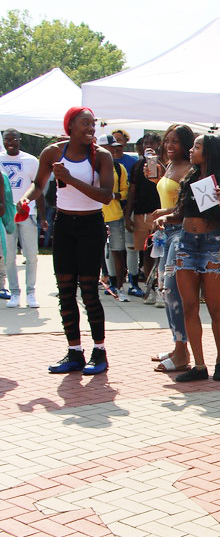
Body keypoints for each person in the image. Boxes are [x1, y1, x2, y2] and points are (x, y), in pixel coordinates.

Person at [18, 107, 114, 374]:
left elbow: (106, 196)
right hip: (64, 226)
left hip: (91, 226)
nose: (91, 129)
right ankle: (74, 352)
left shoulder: (101, 156)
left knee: (89, 291)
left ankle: (99, 351)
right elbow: (38, 184)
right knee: (65, 290)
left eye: (93, 125)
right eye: (85, 124)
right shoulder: (52, 153)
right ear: (69, 126)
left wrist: (70, 179)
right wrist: (26, 199)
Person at [155, 135, 220, 382]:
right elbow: (184, 213)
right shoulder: (191, 177)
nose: (191, 150)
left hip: (213, 246)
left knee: (214, 308)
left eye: (197, 147)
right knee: (189, 306)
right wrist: (166, 218)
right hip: (186, 245)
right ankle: (200, 366)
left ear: (210, 152)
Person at [149, 124, 195, 369]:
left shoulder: (192, 170)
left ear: (187, 145)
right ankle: (178, 347)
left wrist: (167, 212)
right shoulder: (169, 165)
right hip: (166, 234)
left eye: (175, 142)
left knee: (174, 293)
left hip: (182, 235)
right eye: (167, 141)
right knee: (166, 293)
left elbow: (198, 206)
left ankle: (182, 354)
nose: (169, 146)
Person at [1, 129, 46, 308]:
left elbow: (39, 187)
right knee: (8, 255)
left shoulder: (30, 161)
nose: (10, 142)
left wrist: (43, 216)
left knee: (31, 255)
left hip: (28, 213)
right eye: (6, 139)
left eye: (13, 139)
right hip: (6, 215)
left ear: (20, 140)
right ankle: (14, 292)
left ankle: (31, 292)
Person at [124, 133, 162, 297]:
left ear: (158, 144)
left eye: (152, 142)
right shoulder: (138, 165)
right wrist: (128, 216)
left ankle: (160, 288)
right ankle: (149, 287)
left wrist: (157, 164)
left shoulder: (165, 165)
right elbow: (132, 191)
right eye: (145, 142)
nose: (148, 145)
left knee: (159, 254)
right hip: (140, 214)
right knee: (146, 253)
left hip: (159, 214)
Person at [97, 134, 130, 302]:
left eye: (116, 147)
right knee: (92, 251)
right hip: (93, 215)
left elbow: (126, 191)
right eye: (111, 146)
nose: (115, 149)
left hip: (114, 215)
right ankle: (91, 283)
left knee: (117, 251)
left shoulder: (119, 167)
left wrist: (114, 195)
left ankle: (119, 287)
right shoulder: (91, 166)